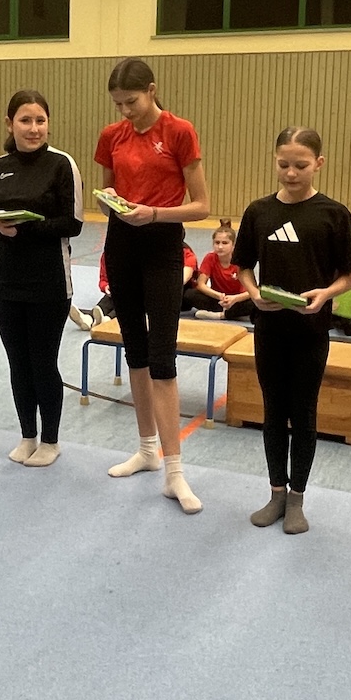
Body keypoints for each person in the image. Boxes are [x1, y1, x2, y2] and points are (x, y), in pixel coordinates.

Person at [96, 57, 210, 514]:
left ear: (152, 90)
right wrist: (112, 202)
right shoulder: (112, 136)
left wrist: (155, 213)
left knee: (163, 358)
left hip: (162, 245)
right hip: (121, 244)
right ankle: (146, 450)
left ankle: (174, 472)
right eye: (118, 104)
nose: (125, 111)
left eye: (132, 102)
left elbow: (202, 205)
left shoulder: (179, 132)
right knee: (136, 352)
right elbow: (105, 196)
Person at [233, 128, 351, 534]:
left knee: (303, 412)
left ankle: (297, 498)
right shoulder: (259, 211)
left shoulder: (333, 214)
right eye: (283, 164)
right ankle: (276, 492)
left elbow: (350, 275)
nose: (290, 173)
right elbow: (244, 265)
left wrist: (326, 294)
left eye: (300, 166)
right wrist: (254, 293)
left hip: (310, 331)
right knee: (273, 410)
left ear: (318, 164)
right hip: (269, 328)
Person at [0, 90, 85, 466]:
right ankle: (28, 435)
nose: (33, 128)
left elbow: (73, 223)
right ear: (9, 124)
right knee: (18, 363)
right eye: (25, 120)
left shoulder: (62, 164)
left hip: (49, 281)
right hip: (6, 280)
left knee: (43, 362)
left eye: (40, 120)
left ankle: (50, 440)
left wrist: (26, 227)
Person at [69, 244, 197, 330]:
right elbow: (104, 278)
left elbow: (180, 280)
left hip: (171, 294)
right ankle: (91, 318)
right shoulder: (111, 254)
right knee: (120, 292)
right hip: (146, 291)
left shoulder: (185, 254)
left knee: (132, 297)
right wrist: (107, 286)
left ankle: (106, 318)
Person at [186, 221, 253, 321]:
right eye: (217, 243)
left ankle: (222, 315)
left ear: (233, 245)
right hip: (218, 299)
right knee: (189, 294)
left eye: (225, 243)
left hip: (238, 300)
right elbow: (200, 284)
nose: (220, 247)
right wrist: (219, 296)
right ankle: (232, 313)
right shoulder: (210, 258)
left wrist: (234, 298)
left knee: (258, 300)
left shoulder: (240, 260)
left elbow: (251, 290)